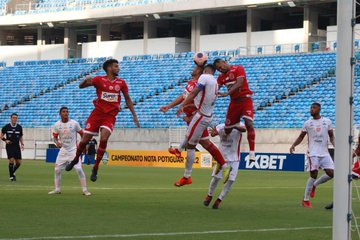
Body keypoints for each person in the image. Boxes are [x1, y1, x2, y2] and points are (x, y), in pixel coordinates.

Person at [65, 59, 140, 182]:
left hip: (110, 116)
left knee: (104, 138)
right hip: (97, 114)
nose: (118, 68)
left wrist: (134, 115)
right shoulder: (99, 80)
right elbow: (81, 86)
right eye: (116, 66)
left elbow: (127, 98)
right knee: (84, 141)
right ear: (109, 68)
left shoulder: (121, 82)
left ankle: (95, 168)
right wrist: (85, 80)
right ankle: (75, 159)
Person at [160, 65, 226, 187]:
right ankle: (223, 164)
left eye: (195, 68)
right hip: (194, 118)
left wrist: (191, 116)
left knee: (194, 145)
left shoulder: (201, 85)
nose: (193, 69)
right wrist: (169, 106)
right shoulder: (191, 82)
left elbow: (198, 101)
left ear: (200, 72)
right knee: (206, 143)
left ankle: (187, 175)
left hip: (197, 118)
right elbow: (184, 96)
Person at [290, 102, 335, 208]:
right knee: (313, 174)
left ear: (319, 109)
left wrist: (336, 145)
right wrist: (293, 145)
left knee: (332, 174)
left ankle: (315, 185)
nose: (311, 109)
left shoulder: (327, 121)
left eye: (314, 108)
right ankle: (305, 200)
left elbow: (331, 136)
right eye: (311, 108)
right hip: (313, 153)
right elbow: (301, 136)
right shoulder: (307, 123)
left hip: (324, 153)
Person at [213, 59, 256, 161]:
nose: (220, 69)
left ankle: (252, 152)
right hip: (234, 103)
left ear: (224, 62)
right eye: (218, 69)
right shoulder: (221, 77)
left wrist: (228, 93)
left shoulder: (238, 68)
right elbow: (215, 88)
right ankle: (235, 124)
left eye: (220, 66)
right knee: (227, 130)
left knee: (249, 123)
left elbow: (240, 82)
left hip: (245, 99)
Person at [49, 107, 91, 196]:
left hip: (74, 150)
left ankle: (85, 190)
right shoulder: (56, 125)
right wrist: (57, 143)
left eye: (67, 111)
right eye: (64, 112)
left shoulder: (74, 123)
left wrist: (85, 144)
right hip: (63, 151)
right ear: (60, 114)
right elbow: (54, 137)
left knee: (79, 169)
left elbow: (83, 134)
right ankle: (57, 189)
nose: (66, 113)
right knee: (57, 170)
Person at [203, 122, 246, 209]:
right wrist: (214, 133)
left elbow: (244, 129)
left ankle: (219, 199)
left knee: (231, 181)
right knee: (216, 178)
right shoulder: (221, 126)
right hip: (221, 158)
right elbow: (213, 134)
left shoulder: (240, 125)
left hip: (234, 159)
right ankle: (209, 195)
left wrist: (234, 126)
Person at [1, 113, 24, 181]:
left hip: (17, 146)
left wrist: (22, 143)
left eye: (16, 118)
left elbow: (20, 136)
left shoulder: (19, 127)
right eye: (13, 118)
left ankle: (13, 172)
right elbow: (1, 135)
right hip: (9, 146)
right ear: (11, 118)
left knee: (18, 162)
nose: (15, 119)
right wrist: (5, 140)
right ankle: (11, 177)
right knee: (11, 160)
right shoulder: (6, 127)